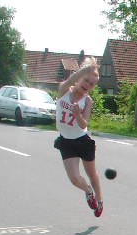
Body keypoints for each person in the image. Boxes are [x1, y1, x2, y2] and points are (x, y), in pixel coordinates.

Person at [54, 57, 103, 217]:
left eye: (92, 84)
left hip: (82, 140)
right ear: (79, 77)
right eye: (86, 80)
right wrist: (86, 69)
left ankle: (100, 201)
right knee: (74, 178)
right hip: (66, 141)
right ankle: (88, 192)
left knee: (92, 174)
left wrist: (77, 115)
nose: (87, 85)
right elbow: (70, 81)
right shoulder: (64, 90)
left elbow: (83, 124)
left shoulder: (87, 101)